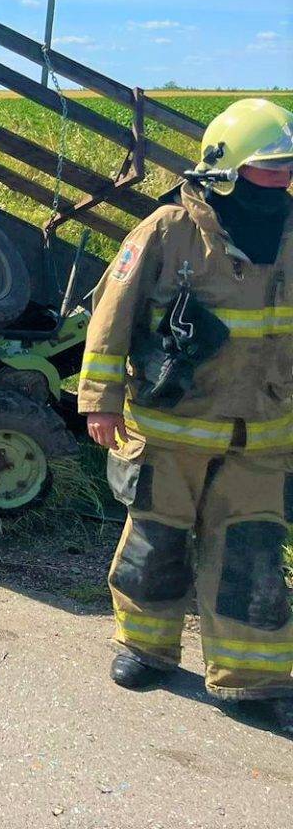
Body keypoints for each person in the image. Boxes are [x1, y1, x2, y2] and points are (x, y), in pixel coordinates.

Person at [78, 97, 293, 732]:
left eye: (289, 166)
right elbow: (110, 318)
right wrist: (100, 401)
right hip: (169, 432)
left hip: (264, 435)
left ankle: (253, 680)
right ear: (226, 169)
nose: (284, 177)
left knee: (252, 556)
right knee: (155, 545)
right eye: (272, 166)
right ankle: (144, 649)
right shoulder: (169, 231)